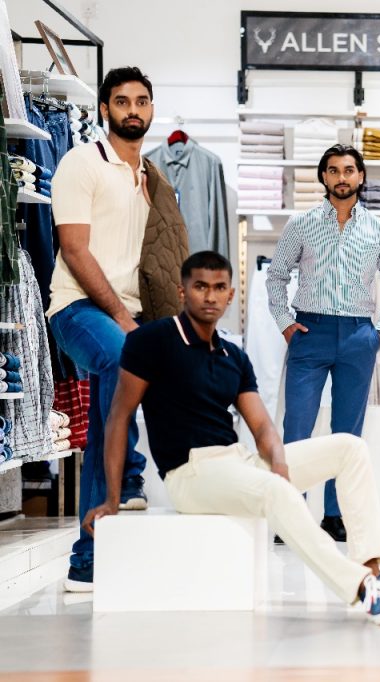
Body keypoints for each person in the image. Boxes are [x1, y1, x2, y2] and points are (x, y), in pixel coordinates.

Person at [83, 251, 380, 625]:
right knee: (275, 491)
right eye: (200, 286)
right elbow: (118, 417)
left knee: (350, 448)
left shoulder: (232, 355)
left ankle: (377, 574)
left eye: (219, 287)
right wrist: (111, 498)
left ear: (231, 294)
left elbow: (263, 426)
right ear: (182, 291)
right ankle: (362, 588)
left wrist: (279, 463)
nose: (210, 296)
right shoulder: (152, 340)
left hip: (238, 462)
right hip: (190, 474)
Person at [49, 66, 189, 591]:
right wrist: (124, 320)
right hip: (79, 307)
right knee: (118, 357)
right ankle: (89, 552)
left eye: (142, 101)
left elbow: (164, 259)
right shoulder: (81, 162)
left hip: (137, 314)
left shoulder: (154, 179)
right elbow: (74, 250)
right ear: (105, 109)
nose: (134, 109)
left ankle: (142, 494)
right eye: (123, 101)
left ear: (151, 109)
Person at [266, 144, 380, 543]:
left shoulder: (379, 230)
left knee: (347, 433)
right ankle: (291, 515)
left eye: (348, 170)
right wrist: (286, 324)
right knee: (297, 425)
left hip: (358, 336)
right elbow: (276, 276)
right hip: (309, 333)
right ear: (324, 177)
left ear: (360, 176)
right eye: (333, 170)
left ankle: (334, 514)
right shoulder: (301, 224)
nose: (341, 177)